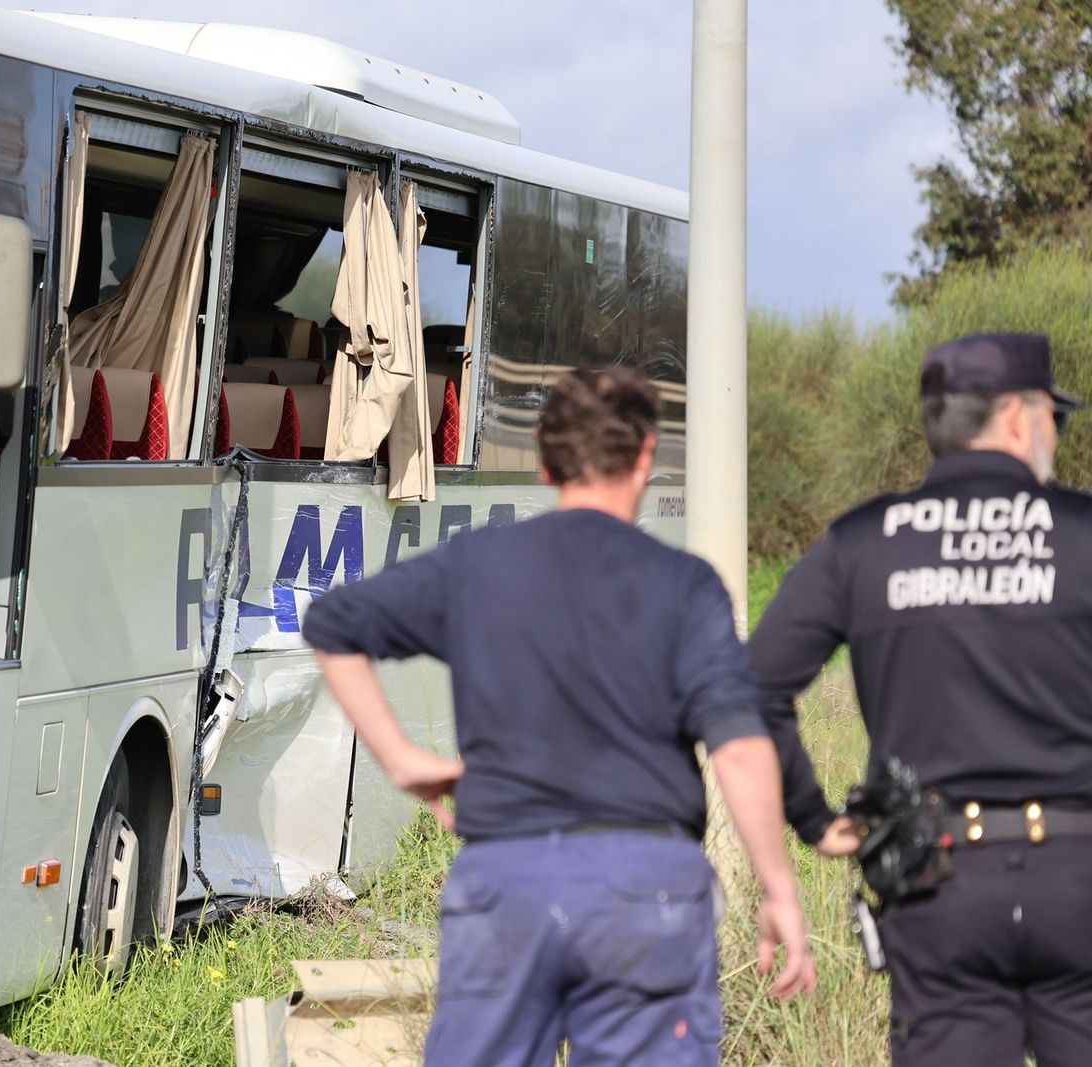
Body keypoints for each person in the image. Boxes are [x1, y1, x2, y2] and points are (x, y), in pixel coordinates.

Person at [302, 367, 815, 1067]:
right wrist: (779, 889)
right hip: (646, 886)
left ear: (546, 464)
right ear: (645, 456)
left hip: (506, 880)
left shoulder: (479, 564)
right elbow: (740, 747)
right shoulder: (686, 586)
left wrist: (401, 758)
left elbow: (333, 625)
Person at [749, 332, 1091, 1066]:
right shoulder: (1082, 530)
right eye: (1055, 417)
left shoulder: (865, 541)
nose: (1056, 435)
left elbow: (754, 686)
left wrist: (815, 819)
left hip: (937, 886)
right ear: (1018, 416)